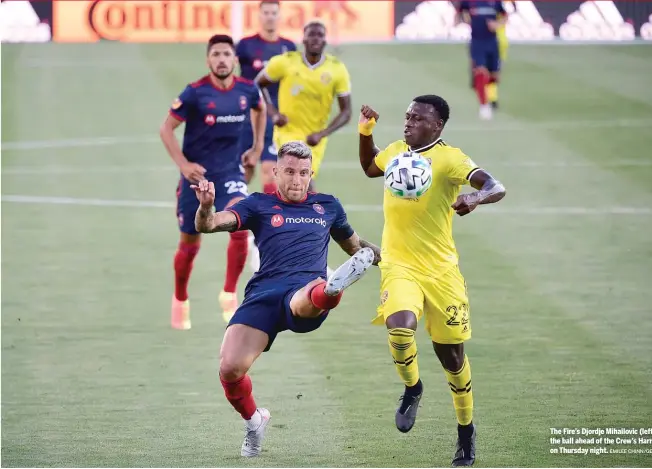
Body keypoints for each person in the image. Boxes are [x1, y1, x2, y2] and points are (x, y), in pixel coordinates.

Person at [192, 140, 380, 458]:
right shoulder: (257, 205)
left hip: (305, 290)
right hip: (263, 294)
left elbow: (356, 248)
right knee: (230, 368)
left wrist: (392, 259)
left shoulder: (328, 206)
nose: (296, 180)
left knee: (308, 295)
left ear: (311, 173)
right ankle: (254, 422)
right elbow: (209, 225)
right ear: (276, 171)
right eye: (290, 172)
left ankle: (332, 289)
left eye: (303, 173)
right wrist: (206, 205)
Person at [357, 96, 506, 466]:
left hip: (441, 273)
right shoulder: (394, 151)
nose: (408, 123)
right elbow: (368, 167)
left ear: (437, 126)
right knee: (400, 326)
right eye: (407, 117)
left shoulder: (451, 158)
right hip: (399, 265)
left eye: (418, 118)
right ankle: (412, 387)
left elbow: (496, 185)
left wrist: (476, 198)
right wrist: (365, 130)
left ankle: (465, 432)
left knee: (452, 358)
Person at [159, 34, 266, 329]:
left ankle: (229, 294)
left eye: (226, 54)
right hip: (196, 179)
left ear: (234, 59)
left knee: (240, 227)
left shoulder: (247, 90)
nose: (221, 59)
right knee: (190, 245)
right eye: (216, 54)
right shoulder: (195, 93)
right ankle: (180, 297)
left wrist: (256, 148)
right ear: (208, 60)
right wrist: (184, 165)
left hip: (230, 174)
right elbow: (166, 129)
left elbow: (261, 108)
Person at [255, 20, 352, 192]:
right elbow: (257, 85)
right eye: (311, 35)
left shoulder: (337, 69)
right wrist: (274, 113)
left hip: (315, 138)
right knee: (301, 181)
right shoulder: (285, 62)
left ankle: (296, 217)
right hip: (288, 132)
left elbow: (346, 112)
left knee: (300, 185)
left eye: (320, 35)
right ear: (304, 40)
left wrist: (323, 133)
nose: (315, 39)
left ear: (325, 41)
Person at [236, 0, 297, 194]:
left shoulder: (289, 47)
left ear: (279, 16)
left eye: (273, 13)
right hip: (248, 117)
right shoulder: (245, 46)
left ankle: (268, 220)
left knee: (270, 171)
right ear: (259, 15)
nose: (270, 17)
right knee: (246, 169)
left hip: (275, 118)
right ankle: (235, 208)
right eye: (266, 13)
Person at [457, 1, 507, 119]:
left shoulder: (495, 2)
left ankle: (478, 83)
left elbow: (505, 15)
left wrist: (497, 24)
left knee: (494, 76)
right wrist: (462, 19)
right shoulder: (469, 1)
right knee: (481, 72)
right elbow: (460, 11)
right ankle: (484, 106)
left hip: (492, 42)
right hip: (477, 42)